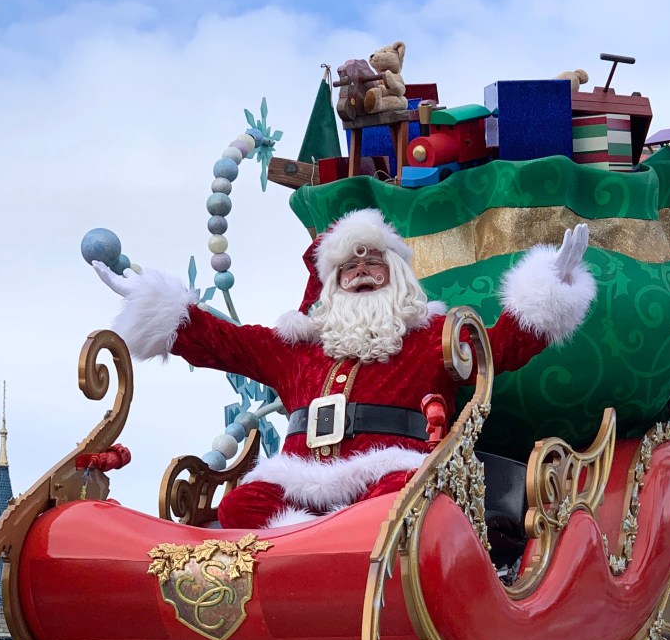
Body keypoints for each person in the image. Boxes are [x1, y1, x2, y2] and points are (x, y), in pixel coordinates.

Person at [93, 209, 595, 528]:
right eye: (348, 268)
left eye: (372, 263)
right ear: (332, 284)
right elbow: (221, 342)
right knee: (241, 507)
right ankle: (297, 567)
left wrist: (552, 284)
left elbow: (502, 347)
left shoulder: (433, 336)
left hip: (390, 473)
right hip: (299, 476)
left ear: (395, 274)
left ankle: (339, 561)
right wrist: (154, 302)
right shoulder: (295, 347)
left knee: (396, 500)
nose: (360, 274)